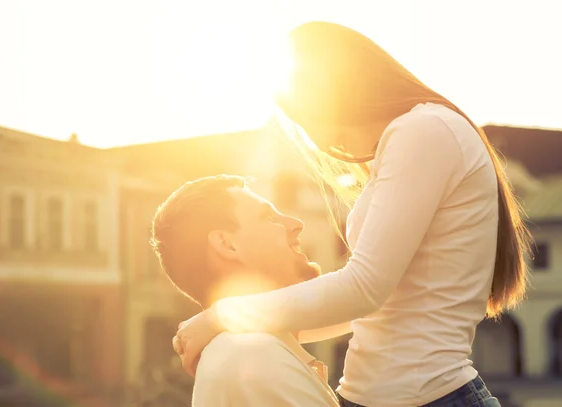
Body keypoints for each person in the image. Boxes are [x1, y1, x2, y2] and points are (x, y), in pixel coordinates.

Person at [172, 22, 531, 407]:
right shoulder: (409, 141)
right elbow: (372, 305)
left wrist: (222, 316)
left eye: (308, 118)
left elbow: (363, 289)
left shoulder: (424, 130)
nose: (319, 140)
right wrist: (235, 327)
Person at [151, 175, 340, 407]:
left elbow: (365, 298)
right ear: (227, 245)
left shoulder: (246, 350)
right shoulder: (255, 358)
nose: (295, 223)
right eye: (269, 217)